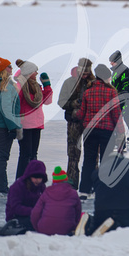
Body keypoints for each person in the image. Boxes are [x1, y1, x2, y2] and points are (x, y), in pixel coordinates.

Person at [74, 64, 125, 199]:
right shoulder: (111, 92)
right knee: (106, 161)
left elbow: (81, 114)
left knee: (89, 160)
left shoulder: (88, 92)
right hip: (106, 131)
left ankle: (85, 190)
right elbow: (116, 114)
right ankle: (102, 190)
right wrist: (121, 132)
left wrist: (74, 114)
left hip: (90, 131)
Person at [57, 58, 95, 189]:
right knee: (73, 154)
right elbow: (61, 102)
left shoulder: (94, 83)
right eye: (82, 73)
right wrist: (73, 104)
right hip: (74, 122)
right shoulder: (69, 82)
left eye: (86, 73)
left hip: (91, 123)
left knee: (92, 155)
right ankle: (72, 184)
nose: (84, 75)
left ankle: (90, 183)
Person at [0, 56, 22, 198]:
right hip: (2, 125)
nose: (11, 69)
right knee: (1, 156)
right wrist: (13, 127)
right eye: (9, 67)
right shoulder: (4, 85)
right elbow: (7, 108)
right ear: (2, 69)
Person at [90, 150, 129, 233]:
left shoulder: (98, 171)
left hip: (102, 213)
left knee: (97, 225)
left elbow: (96, 189)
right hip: (124, 211)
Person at [13, 59, 53, 179]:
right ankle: (21, 180)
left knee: (33, 154)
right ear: (29, 73)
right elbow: (15, 105)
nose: (37, 73)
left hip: (37, 124)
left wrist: (47, 86)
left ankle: (31, 180)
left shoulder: (36, 86)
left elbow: (47, 101)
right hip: (25, 125)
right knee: (26, 154)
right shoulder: (19, 86)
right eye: (35, 71)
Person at [31, 166, 82, 236]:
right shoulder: (73, 193)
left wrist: (37, 227)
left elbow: (35, 213)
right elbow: (78, 212)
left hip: (44, 229)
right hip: (66, 229)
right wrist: (74, 225)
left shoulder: (47, 192)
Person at [5, 159, 47, 231]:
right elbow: (15, 208)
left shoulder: (41, 187)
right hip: (16, 218)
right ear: (29, 176)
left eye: (40, 178)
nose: (37, 180)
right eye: (35, 177)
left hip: (34, 215)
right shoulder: (17, 187)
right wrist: (34, 211)